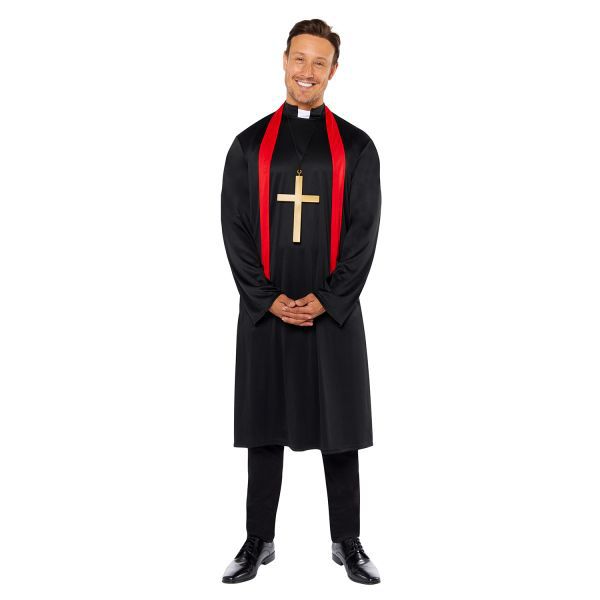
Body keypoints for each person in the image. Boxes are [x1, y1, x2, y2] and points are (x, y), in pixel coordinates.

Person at [220, 18, 382, 585]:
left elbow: (363, 232)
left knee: (340, 430)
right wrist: (266, 299)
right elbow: (235, 228)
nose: (307, 71)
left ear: (334, 70)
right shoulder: (249, 146)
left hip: (332, 313)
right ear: (284, 60)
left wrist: (328, 298)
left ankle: (348, 541)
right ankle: (257, 539)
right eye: (299, 59)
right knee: (264, 428)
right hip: (266, 311)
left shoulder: (356, 147)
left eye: (319, 62)